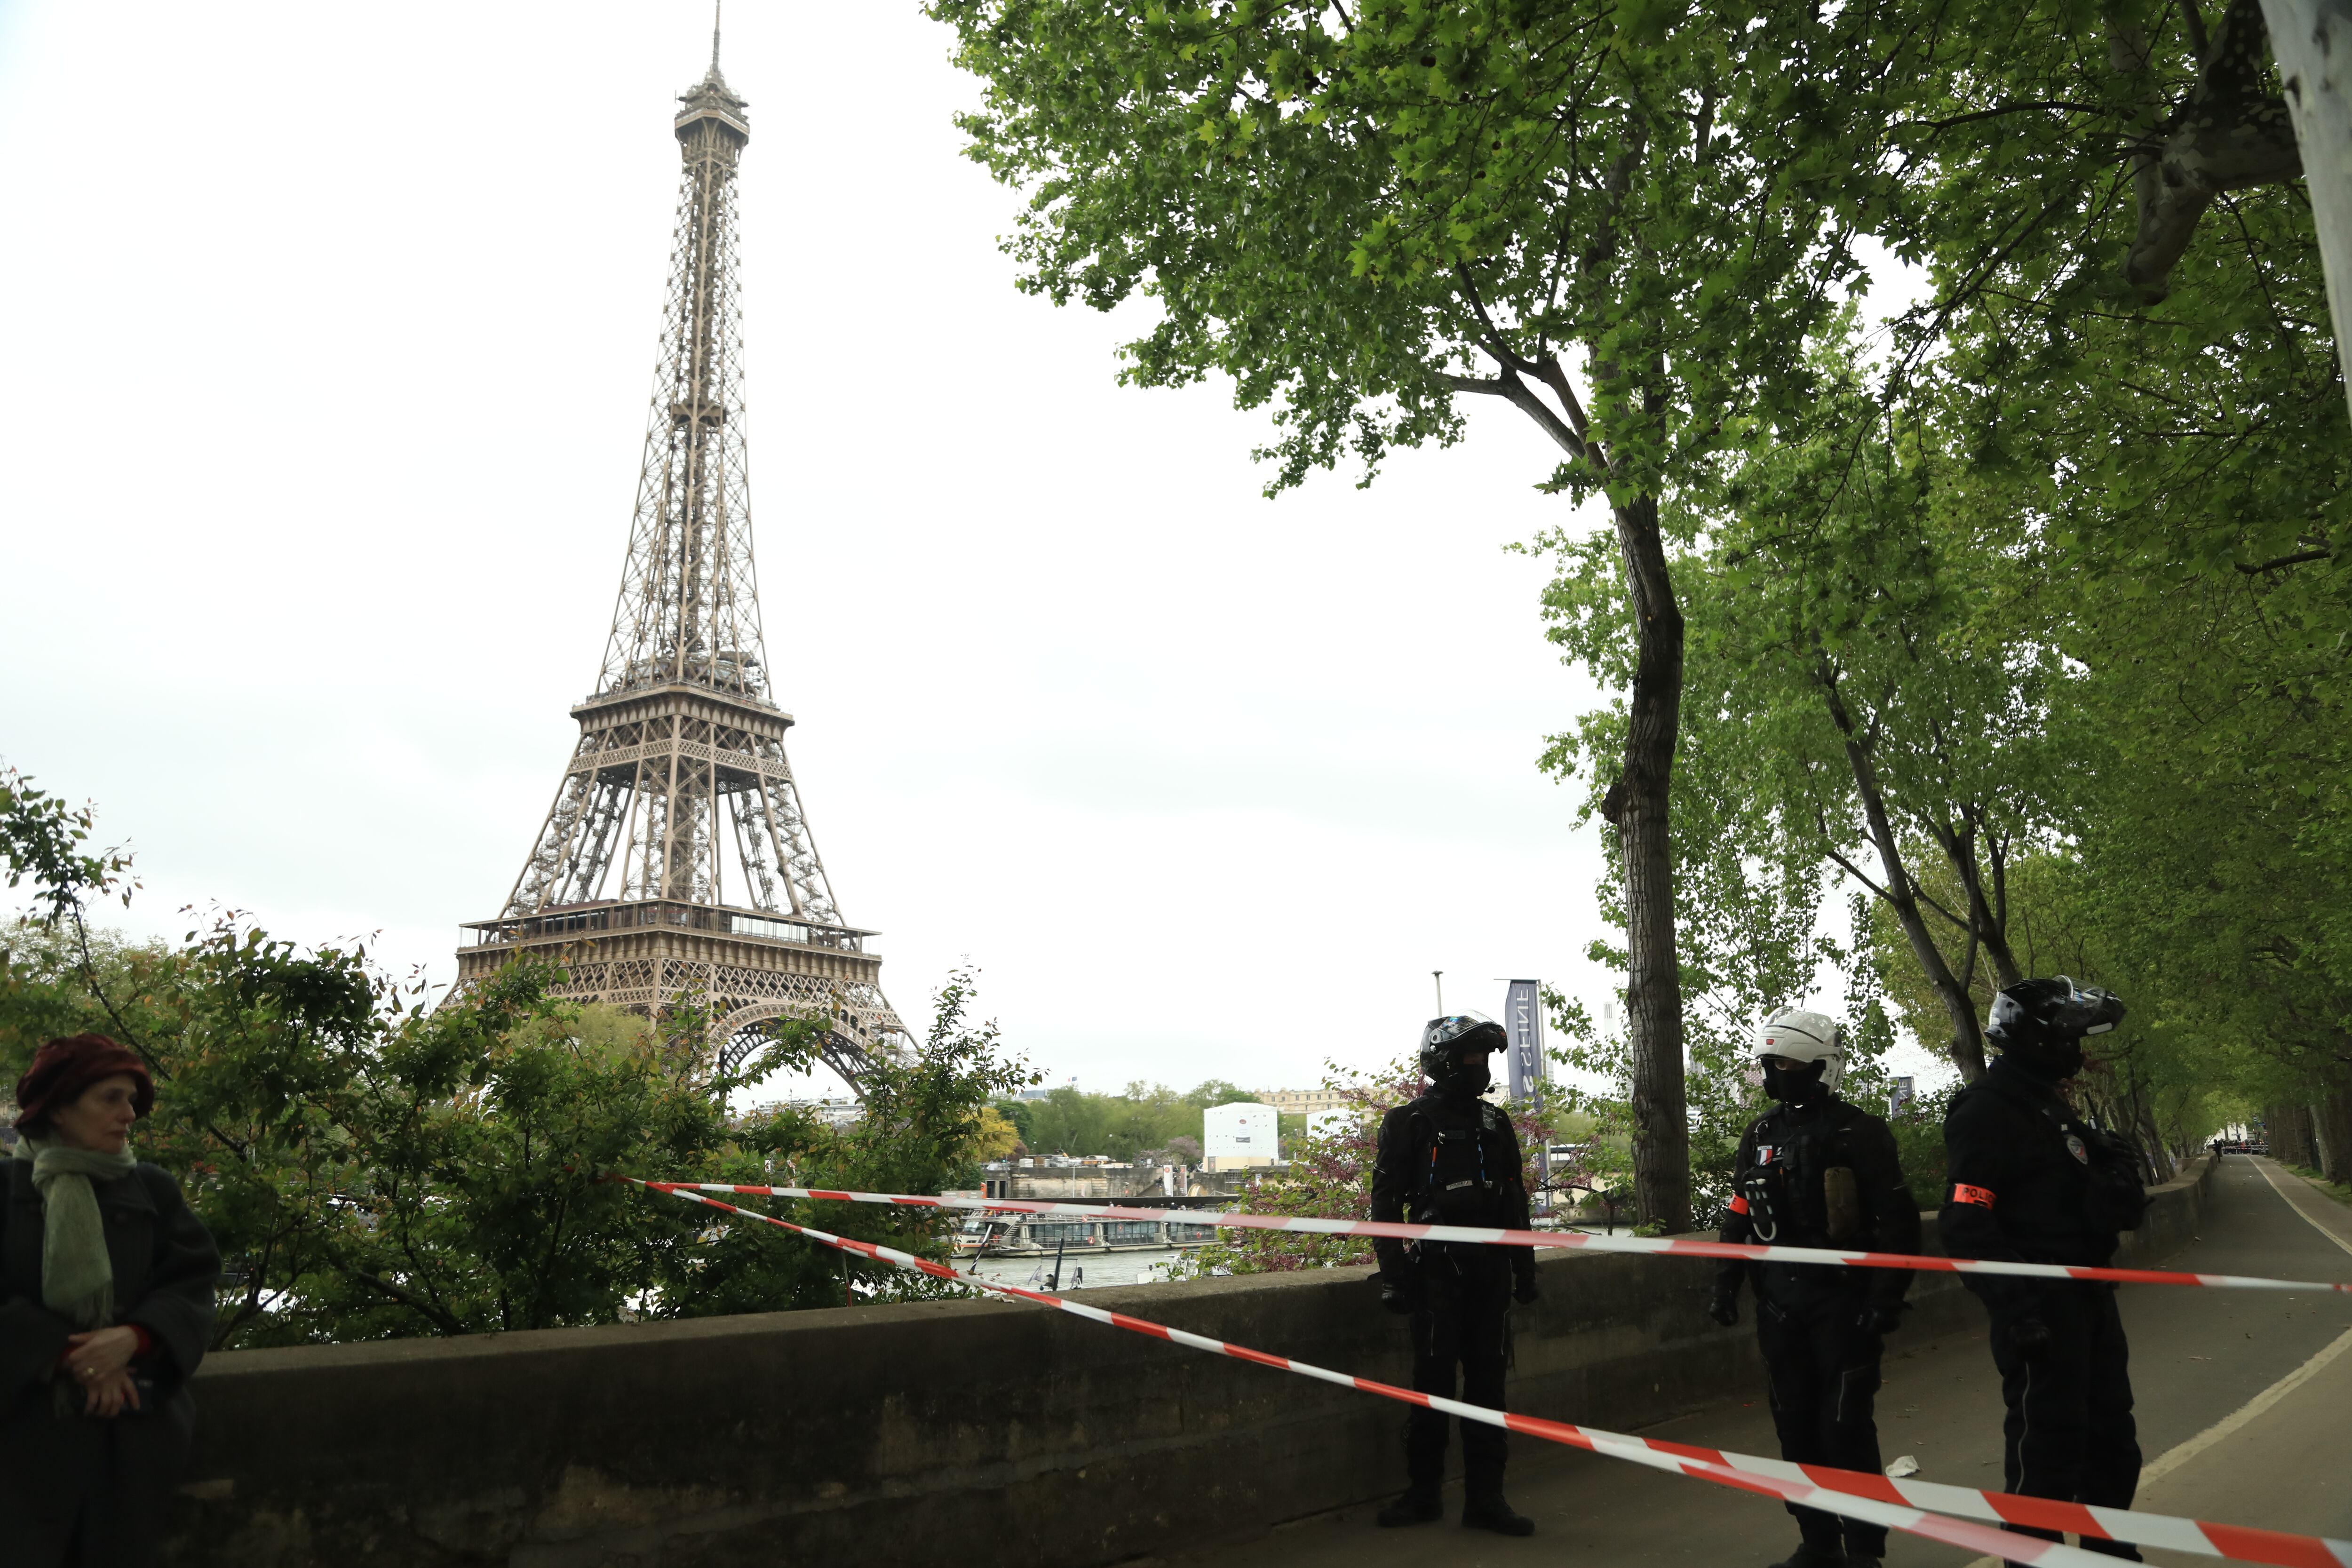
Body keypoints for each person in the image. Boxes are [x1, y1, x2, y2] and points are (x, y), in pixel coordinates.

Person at [1941, 978, 2147, 1566]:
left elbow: (2087, 1198)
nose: (2076, 1051)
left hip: (2088, 1295)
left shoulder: (2049, 1105)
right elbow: (1965, 1224)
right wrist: (2016, 1311)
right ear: (2032, 1038)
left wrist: (2113, 1176)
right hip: (2039, 1306)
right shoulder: (1988, 1109)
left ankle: (2109, 1550)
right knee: (2046, 1448)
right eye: (2067, 1036)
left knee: (2110, 1438)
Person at [1709, 1008, 1920, 1568]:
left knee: (1844, 1426)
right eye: (1767, 1064)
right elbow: (1739, 1208)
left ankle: (1864, 1550)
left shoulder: (1860, 1132)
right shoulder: (1759, 1133)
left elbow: (1897, 1220)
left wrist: (1885, 1297)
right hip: (1778, 1300)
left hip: (1842, 1299)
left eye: (1784, 1063)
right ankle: (1817, 1541)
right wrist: (1725, 1281)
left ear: (1818, 1066)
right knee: (1794, 1427)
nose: (1773, 1074)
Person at [3, 1034, 221, 1567]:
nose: (129, 1114)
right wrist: (69, 1354)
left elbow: (192, 1281)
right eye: (112, 1098)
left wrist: (134, 1338)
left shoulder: (152, 1189)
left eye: (132, 1100)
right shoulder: (5, 1189)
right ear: (56, 1107)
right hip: (21, 1439)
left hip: (130, 1440)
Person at [1367, 1011, 1539, 1536]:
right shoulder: (1408, 1122)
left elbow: (1513, 1199)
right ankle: (1422, 1495)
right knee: (1431, 1390)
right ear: (1441, 1062)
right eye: (1470, 1057)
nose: (1479, 1067)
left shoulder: (1494, 1122)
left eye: (1485, 1058)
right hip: (1434, 1275)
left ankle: (1486, 1500)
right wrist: (1393, 1274)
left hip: (1489, 1277)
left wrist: (1524, 1269)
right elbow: (1385, 1202)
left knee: (1489, 1390)